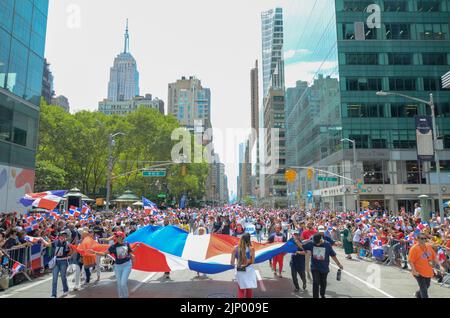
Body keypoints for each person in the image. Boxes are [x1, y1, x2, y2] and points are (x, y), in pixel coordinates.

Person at [91, 232, 135, 298]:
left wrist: (136, 248)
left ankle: (125, 296)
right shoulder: (113, 246)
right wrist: (94, 252)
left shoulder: (126, 244)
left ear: (122, 237)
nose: (116, 237)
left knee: (123, 283)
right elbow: (104, 254)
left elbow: (131, 253)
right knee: (119, 284)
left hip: (127, 265)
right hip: (117, 267)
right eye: (115, 236)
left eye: (117, 236)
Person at [300, 233, 343, 298]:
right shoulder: (311, 243)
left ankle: (322, 294)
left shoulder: (327, 245)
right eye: (315, 243)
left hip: (324, 268)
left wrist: (339, 264)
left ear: (321, 240)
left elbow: (333, 255)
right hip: (315, 267)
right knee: (316, 282)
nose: (316, 244)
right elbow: (301, 245)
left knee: (323, 283)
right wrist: (305, 240)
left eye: (318, 243)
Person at [408, 233, 445, 298]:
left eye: (425, 238)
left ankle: (418, 294)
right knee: (424, 289)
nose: (424, 240)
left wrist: (440, 266)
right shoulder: (414, 249)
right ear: (418, 239)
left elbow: (434, 257)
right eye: (422, 238)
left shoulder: (428, 246)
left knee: (427, 286)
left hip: (428, 271)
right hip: (419, 272)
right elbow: (410, 261)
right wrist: (414, 271)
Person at [42, 229, 72, 298]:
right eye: (62, 235)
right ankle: (53, 294)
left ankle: (65, 290)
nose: (63, 237)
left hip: (63, 261)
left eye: (64, 236)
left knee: (63, 277)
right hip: (56, 261)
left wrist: (70, 252)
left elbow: (69, 253)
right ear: (59, 236)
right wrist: (41, 239)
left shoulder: (67, 244)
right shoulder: (54, 242)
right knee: (54, 278)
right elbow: (47, 245)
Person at [230, 233, 257, 298]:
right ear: (249, 240)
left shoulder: (235, 248)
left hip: (239, 270)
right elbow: (252, 261)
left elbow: (232, 262)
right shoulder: (251, 249)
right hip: (249, 270)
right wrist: (247, 262)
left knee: (241, 289)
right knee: (249, 289)